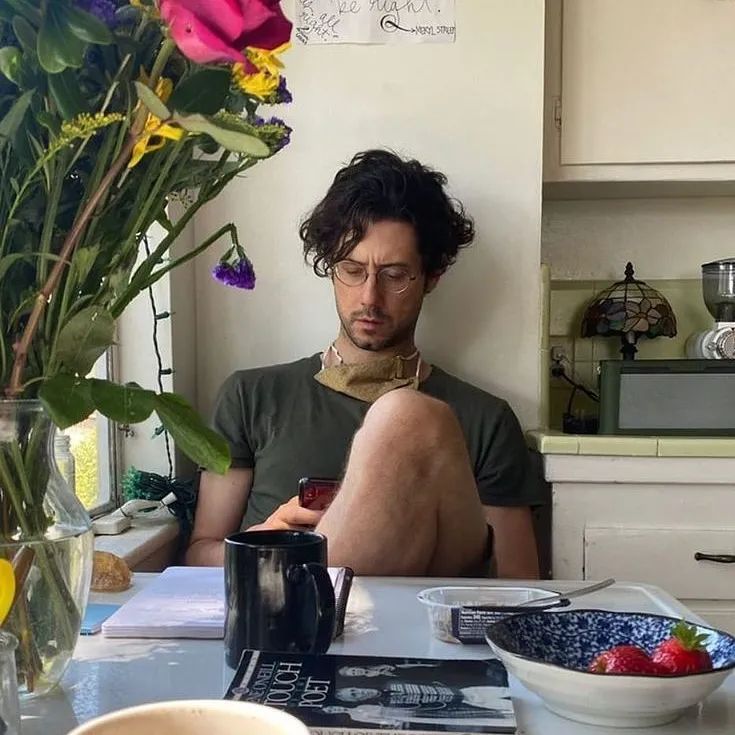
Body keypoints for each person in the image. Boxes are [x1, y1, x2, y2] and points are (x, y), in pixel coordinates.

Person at [185, 149, 542, 577]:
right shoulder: (252, 397)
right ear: (330, 268)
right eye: (352, 270)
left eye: (394, 275)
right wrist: (266, 542)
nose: (369, 297)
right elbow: (196, 556)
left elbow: (519, 590)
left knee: (406, 414)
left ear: (431, 278)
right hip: (283, 612)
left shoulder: (486, 419)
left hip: (427, 630)